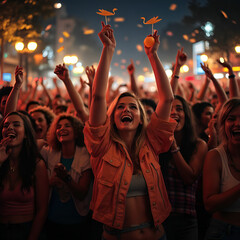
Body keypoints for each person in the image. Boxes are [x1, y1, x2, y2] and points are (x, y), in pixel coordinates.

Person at [83, 22, 177, 240]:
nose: (126, 109)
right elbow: (97, 97)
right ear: (112, 117)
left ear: (142, 117)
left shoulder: (151, 143)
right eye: (120, 107)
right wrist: (108, 50)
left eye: (133, 107)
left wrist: (153, 55)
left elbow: (168, 98)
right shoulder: (102, 147)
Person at [159, 95, 207, 240]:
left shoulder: (199, 145)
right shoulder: (158, 146)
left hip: (186, 220)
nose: (174, 112)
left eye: (179, 109)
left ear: (186, 115)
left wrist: (173, 146)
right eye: (170, 109)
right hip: (159, 219)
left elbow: (189, 177)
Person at [40, 113, 92, 240]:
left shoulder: (85, 155)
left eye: (67, 126)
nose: (62, 129)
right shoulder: (49, 153)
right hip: (52, 219)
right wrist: (50, 182)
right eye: (58, 127)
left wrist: (66, 177)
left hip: (77, 220)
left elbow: (82, 193)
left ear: (76, 132)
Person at [0, 111, 49, 240]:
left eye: (16, 124)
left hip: (26, 230)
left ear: (26, 133)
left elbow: (42, 210)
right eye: (5, 126)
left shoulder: (37, 165)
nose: (10, 128)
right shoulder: (0, 161)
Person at [203, 98, 240, 239]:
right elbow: (210, 205)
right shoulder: (216, 157)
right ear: (223, 124)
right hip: (224, 232)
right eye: (231, 119)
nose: (238, 123)